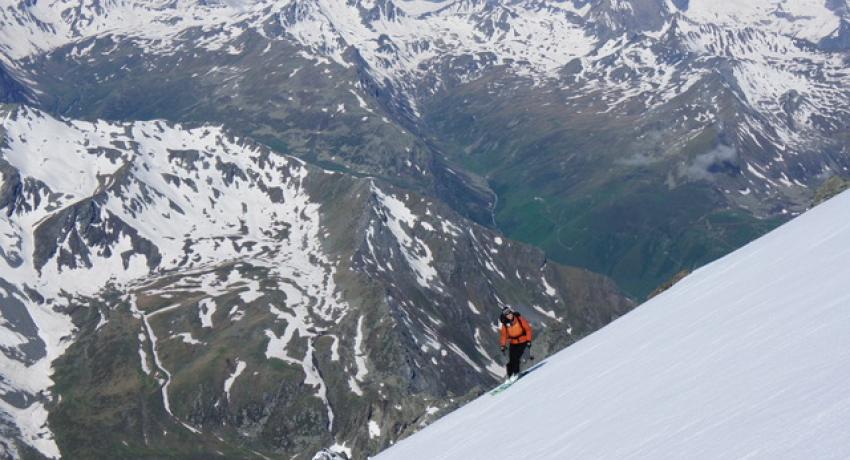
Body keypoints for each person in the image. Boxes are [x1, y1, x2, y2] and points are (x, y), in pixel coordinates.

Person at [499, 306, 532, 382]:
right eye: (507, 314)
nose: (509, 315)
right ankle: (509, 376)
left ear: (511, 312)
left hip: (523, 341)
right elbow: (504, 335)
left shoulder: (519, 319)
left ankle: (516, 373)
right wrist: (503, 346)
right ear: (505, 316)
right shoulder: (505, 324)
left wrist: (529, 340)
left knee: (516, 357)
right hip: (513, 343)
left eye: (510, 313)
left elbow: (528, 329)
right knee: (511, 360)